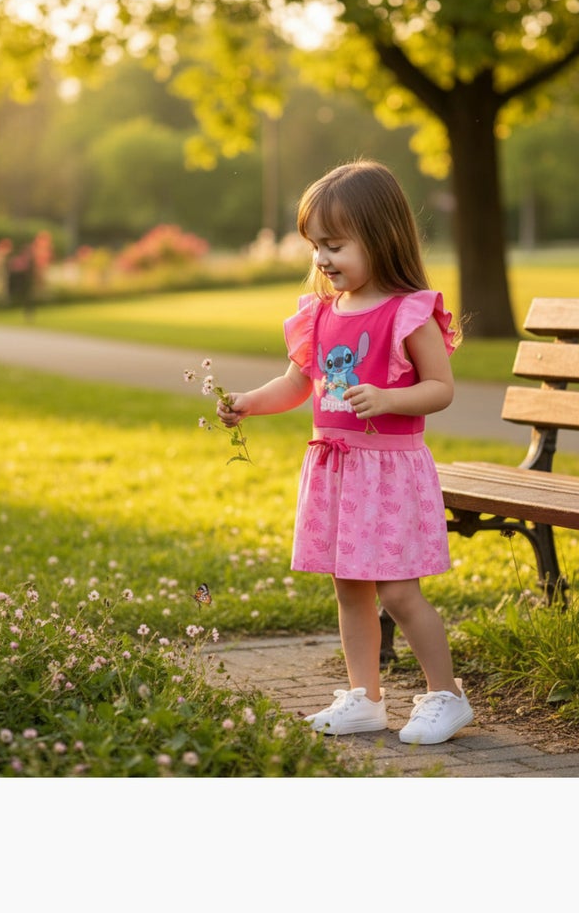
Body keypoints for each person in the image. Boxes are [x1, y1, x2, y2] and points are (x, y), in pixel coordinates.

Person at [216, 160, 473, 745]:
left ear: (380, 238)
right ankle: (366, 698)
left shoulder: (408, 311)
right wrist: (250, 403)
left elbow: (441, 388)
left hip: (389, 471)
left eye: (335, 245)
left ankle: (446, 696)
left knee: (400, 593)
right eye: (316, 247)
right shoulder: (320, 315)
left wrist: (388, 397)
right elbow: (297, 384)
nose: (323, 260)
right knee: (348, 587)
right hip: (337, 467)